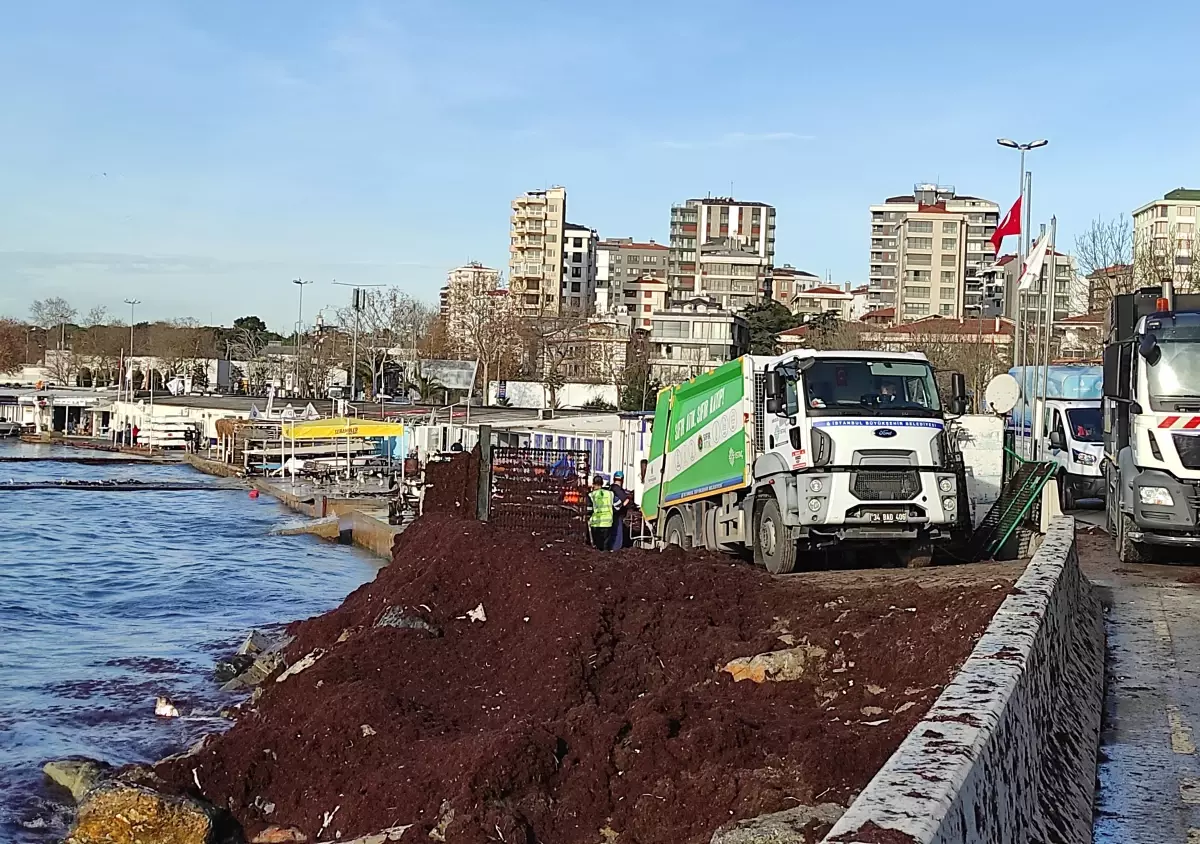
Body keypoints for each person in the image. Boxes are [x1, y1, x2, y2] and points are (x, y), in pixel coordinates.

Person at [587, 474, 614, 552]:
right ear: (602, 484)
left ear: (593, 484)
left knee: (597, 546)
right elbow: (616, 504)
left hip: (596, 523)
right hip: (608, 522)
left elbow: (589, 510)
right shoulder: (610, 494)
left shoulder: (591, 495)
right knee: (606, 546)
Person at [609, 471, 631, 551]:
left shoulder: (610, 488)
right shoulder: (619, 490)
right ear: (622, 480)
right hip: (617, 514)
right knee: (617, 533)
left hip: (609, 513)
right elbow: (625, 502)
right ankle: (616, 549)